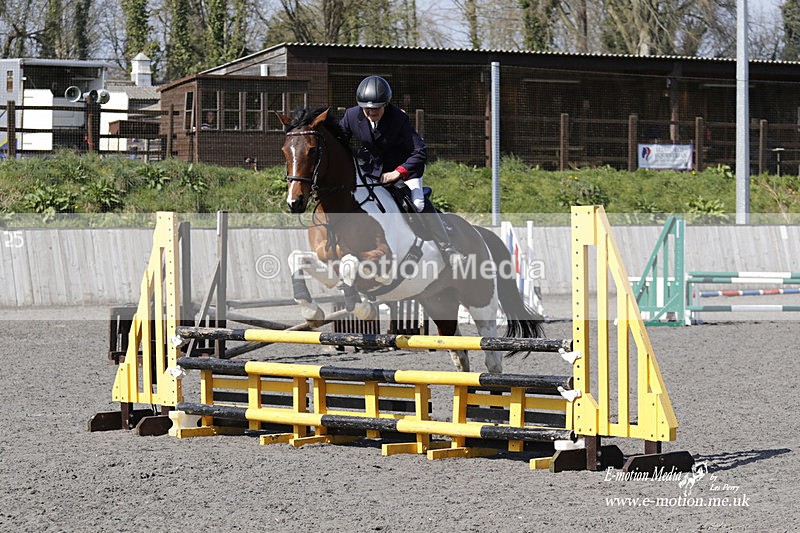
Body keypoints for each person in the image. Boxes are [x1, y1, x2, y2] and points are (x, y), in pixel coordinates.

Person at [339, 75, 465, 269]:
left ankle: (447, 247)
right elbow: (339, 142)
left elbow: (420, 151)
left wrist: (398, 172)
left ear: (386, 105)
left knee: (417, 204)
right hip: (372, 172)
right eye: (367, 109)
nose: (371, 113)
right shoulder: (351, 116)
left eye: (376, 109)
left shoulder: (399, 118)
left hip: (404, 169)